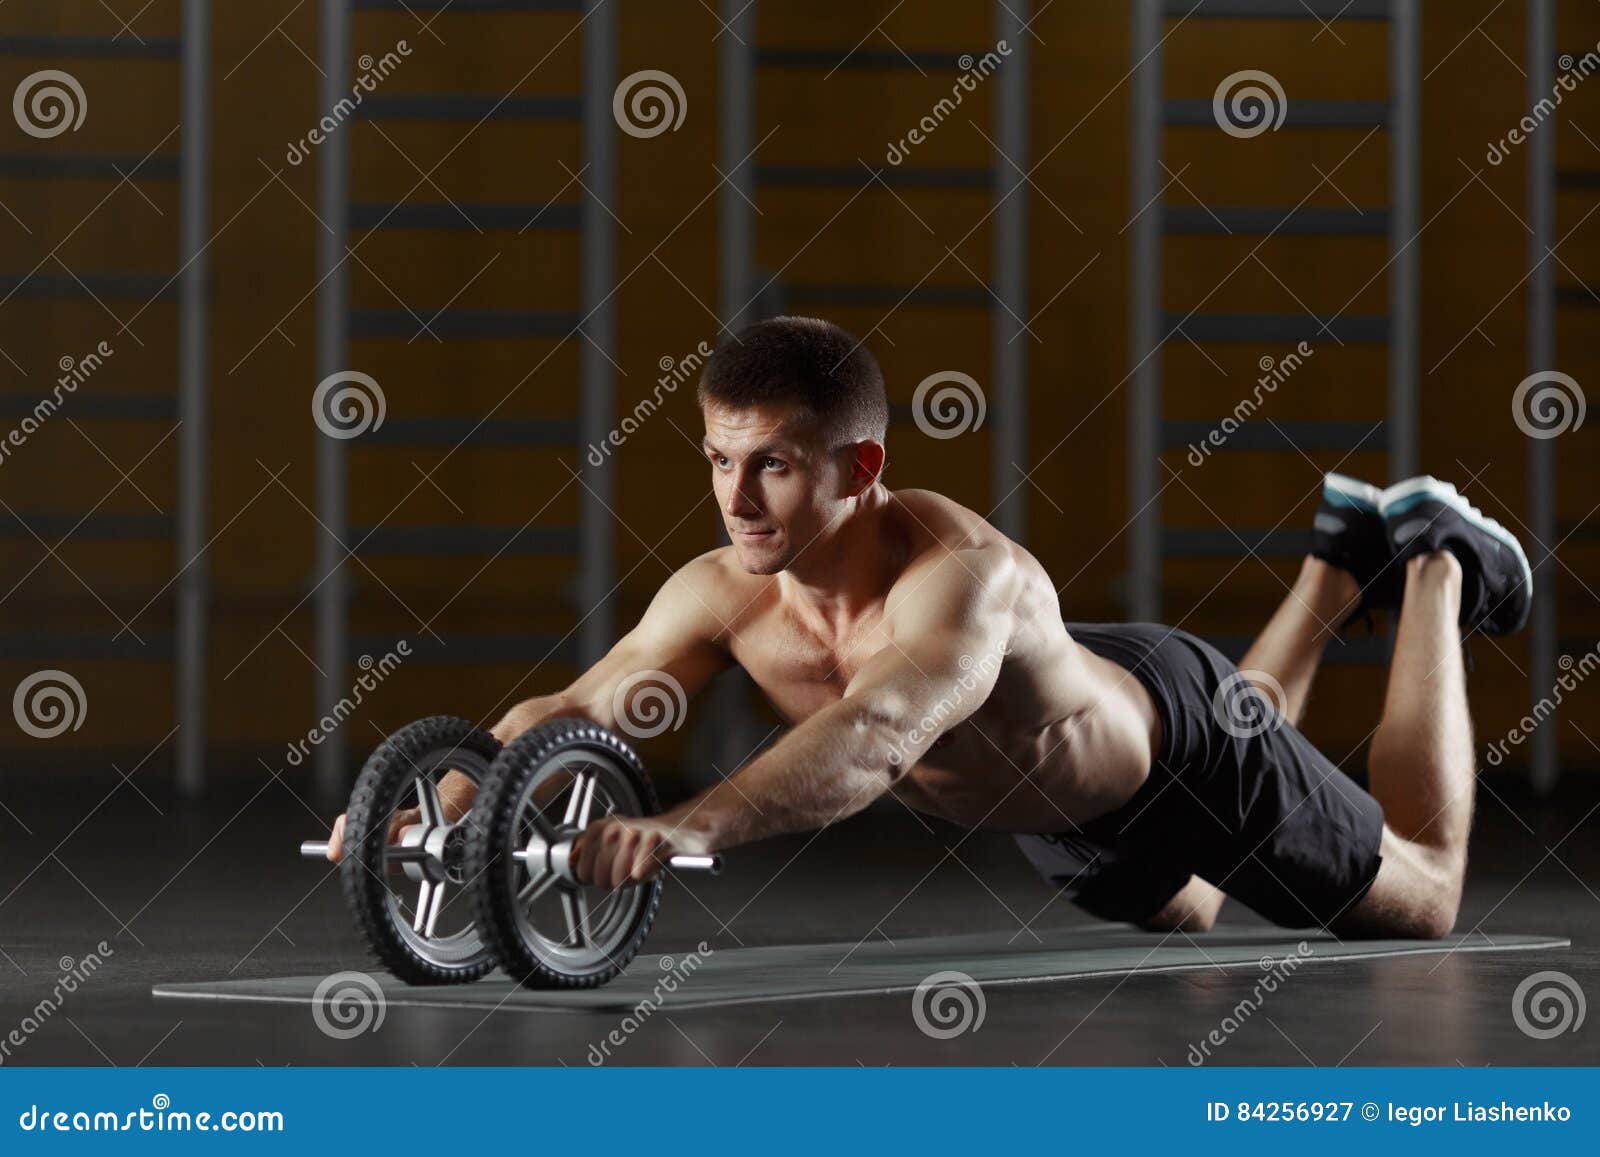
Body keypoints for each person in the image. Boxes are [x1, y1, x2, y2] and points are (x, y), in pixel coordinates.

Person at [324, 316, 1531, 938]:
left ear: (861, 463)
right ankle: (1331, 567)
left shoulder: (961, 576)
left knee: (1420, 899)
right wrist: (436, 809)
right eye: (719, 462)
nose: (738, 501)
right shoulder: (721, 588)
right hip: (1063, 813)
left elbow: (879, 735)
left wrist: (688, 823)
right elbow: (578, 707)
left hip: (1183, 747)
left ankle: (1428, 557)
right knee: (1187, 911)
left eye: (775, 468)